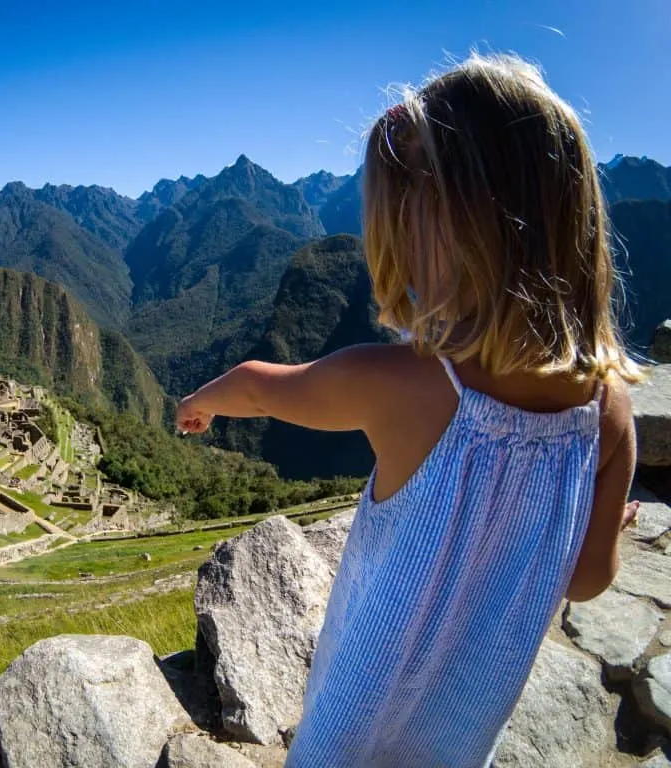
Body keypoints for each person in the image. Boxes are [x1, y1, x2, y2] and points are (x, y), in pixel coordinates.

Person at [175, 53, 642, 767]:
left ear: (448, 233)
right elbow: (585, 579)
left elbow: (264, 384)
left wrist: (203, 401)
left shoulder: (398, 383)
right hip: (461, 733)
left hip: (353, 720)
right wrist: (596, 516)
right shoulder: (610, 415)